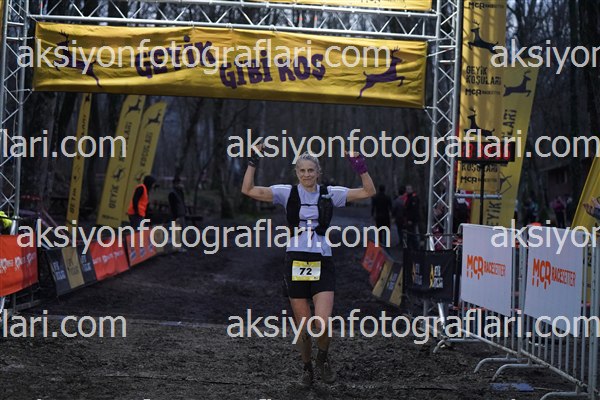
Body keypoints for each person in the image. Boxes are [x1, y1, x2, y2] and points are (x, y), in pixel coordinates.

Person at [241, 150, 375, 387]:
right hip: (296, 260)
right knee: (303, 327)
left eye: (311, 170)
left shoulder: (329, 193)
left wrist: (360, 167)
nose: (306, 175)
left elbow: (368, 191)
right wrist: (253, 161)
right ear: (296, 172)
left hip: (322, 260)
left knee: (322, 324)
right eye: (302, 170)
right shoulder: (286, 192)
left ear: (318, 172)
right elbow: (248, 190)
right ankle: (307, 368)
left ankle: (322, 359)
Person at [402, 184, 420, 249]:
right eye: (407, 189)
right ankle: (410, 248)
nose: (407, 190)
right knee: (409, 234)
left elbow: (414, 210)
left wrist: (411, 219)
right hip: (408, 219)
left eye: (409, 189)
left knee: (413, 234)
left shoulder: (413, 198)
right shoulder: (408, 198)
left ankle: (416, 248)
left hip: (412, 220)